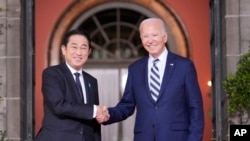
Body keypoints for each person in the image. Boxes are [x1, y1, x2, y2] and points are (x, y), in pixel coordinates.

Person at [100, 18, 204, 141]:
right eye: (145, 36)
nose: (150, 40)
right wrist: (108, 114)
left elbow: (195, 108)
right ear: (141, 40)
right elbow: (127, 105)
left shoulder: (184, 66)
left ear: (164, 37)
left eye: (154, 35)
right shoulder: (135, 69)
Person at [35, 29, 109, 141]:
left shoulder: (92, 81)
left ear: (89, 52)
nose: (79, 52)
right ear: (64, 49)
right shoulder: (52, 74)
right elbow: (59, 106)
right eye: (74, 47)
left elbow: (94, 123)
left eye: (83, 48)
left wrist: (99, 115)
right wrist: (95, 110)